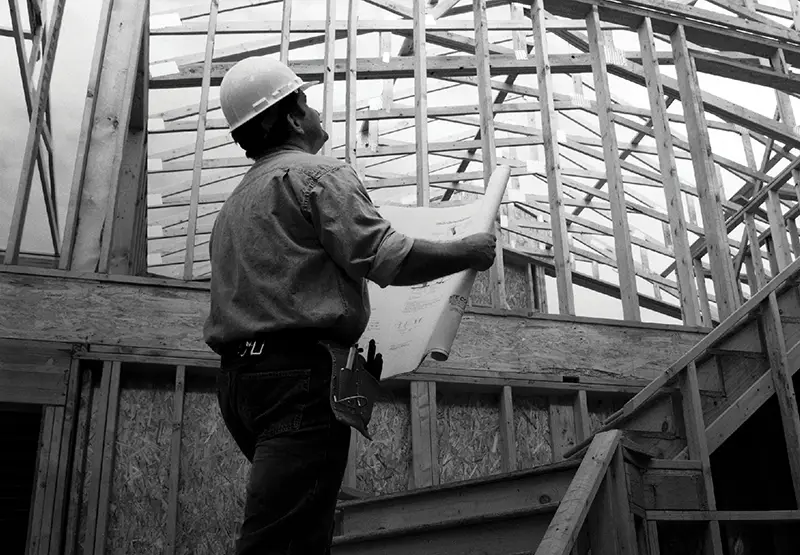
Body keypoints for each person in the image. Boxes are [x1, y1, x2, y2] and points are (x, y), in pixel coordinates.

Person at [203, 55, 497, 555]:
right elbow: (388, 260)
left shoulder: (235, 203)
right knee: (282, 543)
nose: (316, 113)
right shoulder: (317, 175)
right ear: (294, 118)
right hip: (297, 380)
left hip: (241, 385)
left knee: (293, 522)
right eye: (307, 104)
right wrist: (468, 250)